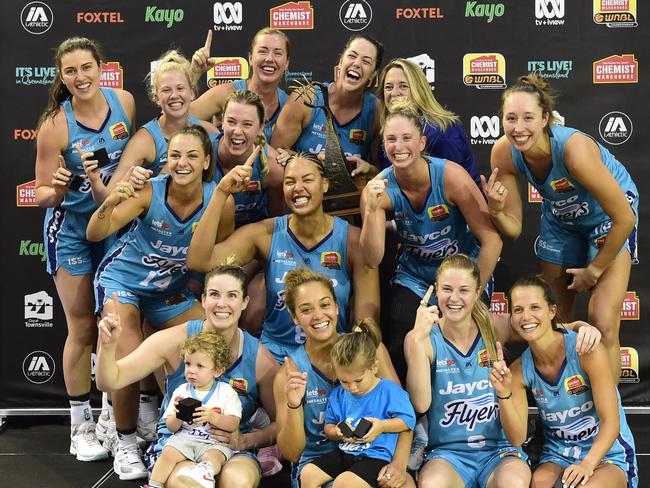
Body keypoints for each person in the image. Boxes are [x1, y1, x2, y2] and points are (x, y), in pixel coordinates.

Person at [87, 125, 233, 480]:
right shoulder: (148, 192)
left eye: (191, 156)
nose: (182, 163)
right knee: (126, 349)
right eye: (175, 155)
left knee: (214, 342)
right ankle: (124, 441)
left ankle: (200, 436)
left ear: (206, 162)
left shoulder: (220, 200)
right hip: (124, 281)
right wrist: (111, 199)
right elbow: (95, 232)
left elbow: (219, 255)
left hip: (170, 291)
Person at [485, 73, 638, 379]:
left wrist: (594, 270)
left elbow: (625, 218)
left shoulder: (573, 151)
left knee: (603, 321)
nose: (518, 128)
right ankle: (564, 406)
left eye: (528, 118)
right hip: (562, 219)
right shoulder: (503, 152)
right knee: (552, 323)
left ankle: (612, 415)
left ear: (545, 118)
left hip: (607, 217)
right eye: (510, 118)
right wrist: (496, 210)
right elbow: (513, 228)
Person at [34, 36, 135, 462]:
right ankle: (81, 425)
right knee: (82, 329)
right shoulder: (55, 125)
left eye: (87, 68)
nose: (80, 77)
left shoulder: (125, 103)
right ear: (62, 76)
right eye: (71, 71)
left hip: (114, 223)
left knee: (115, 325)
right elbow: (40, 193)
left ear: (101, 67)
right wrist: (55, 189)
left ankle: (113, 416)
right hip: (72, 228)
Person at [96, 261, 279, 488]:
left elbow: (282, 423)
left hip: (229, 449)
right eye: (214, 294)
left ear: (244, 302)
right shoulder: (174, 341)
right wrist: (108, 347)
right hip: (178, 446)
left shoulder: (260, 358)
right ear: (203, 300)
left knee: (237, 481)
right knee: (188, 483)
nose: (222, 303)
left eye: (232, 295)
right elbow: (108, 381)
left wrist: (248, 440)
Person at [187, 152, 379, 363]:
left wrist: (350, 366)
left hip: (332, 355)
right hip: (274, 357)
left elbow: (367, 319)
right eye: (290, 181)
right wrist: (221, 192)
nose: (298, 187)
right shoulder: (265, 234)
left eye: (307, 179)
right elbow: (199, 261)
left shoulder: (353, 241)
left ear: (325, 184)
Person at [360, 99, 502, 381]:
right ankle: (415, 415)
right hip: (415, 277)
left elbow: (492, 240)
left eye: (406, 138)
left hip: (462, 274)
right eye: (391, 139)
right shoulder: (378, 189)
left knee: (469, 334)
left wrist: (473, 291)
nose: (398, 147)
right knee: (403, 330)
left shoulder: (451, 176)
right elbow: (373, 257)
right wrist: (372, 209)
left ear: (422, 142)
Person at [489, 275, 638, 488]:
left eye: (535, 307)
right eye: (518, 310)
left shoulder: (586, 349)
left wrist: (587, 464)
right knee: (539, 483)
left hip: (607, 453)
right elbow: (517, 437)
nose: (526, 316)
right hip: (558, 454)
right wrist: (504, 393)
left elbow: (612, 423)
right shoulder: (518, 370)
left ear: (552, 311)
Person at [273, 266, 414, 488]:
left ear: (337, 307)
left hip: (374, 456)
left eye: (325, 304)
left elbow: (405, 419)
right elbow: (291, 453)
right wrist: (293, 404)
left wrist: (399, 464)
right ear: (294, 317)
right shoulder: (289, 372)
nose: (319, 315)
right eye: (306, 309)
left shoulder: (367, 349)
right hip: (321, 462)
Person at [404, 254, 531, 488]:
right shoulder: (420, 337)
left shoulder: (494, 326)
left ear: (477, 291)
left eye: (463, 290)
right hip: (448, 453)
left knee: (513, 483)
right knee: (432, 485)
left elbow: (542, 328)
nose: (454, 298)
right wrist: (418, 339)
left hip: (498, 450)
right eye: (446, 289)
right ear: (435, 291)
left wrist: (579, 328)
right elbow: (420, 403)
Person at [92, 50, 219, 203]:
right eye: (166, 90)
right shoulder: (144, 141)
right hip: (157, 223)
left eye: (180, 88)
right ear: (156, 98)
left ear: (192, 93)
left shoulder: (210, 132)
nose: (174, 95)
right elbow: (107, 199)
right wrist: (131, 185)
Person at [300, 324, 416, 488]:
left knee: (344, 483)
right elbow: (329, 427)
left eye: (358, 380)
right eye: (344, 381)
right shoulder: (338, 394)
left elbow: (408, 421)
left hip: (376, 457)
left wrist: (382, 426)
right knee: (308, 473)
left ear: (374, 367)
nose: (352, 387)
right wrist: (337, 432)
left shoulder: (390, 391)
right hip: (345, 451)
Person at [271, 34, 383, 176]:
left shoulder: (376, 110)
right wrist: (313, 163)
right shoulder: (306, 98)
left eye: (366, 61)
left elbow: (380, 171)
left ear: (373, 75)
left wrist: (368, 168)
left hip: (350, 195)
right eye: (352, 56)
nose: (356, 63)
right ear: (341, 61)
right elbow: (276, 151)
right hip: (305, 193)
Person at [148, 332, 241, 488]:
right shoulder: (181, 391)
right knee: (168, 451)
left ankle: (205, 473)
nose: (191, 370)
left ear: (217, 371)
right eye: (187, 364)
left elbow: (233, 424)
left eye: (200, 366)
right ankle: (154, 484)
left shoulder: (226, 392)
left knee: (213, 456)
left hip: (213, 442)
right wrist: (178, 414)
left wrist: (213, 417)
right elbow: (171, 427)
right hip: (185, 438)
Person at [377, 58, 480, 187]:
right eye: (388, 87)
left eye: (403, 86)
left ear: (418, 90)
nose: (394, 93)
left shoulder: (443, 131)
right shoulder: (388, 130)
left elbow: (457, 186)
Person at [191, 28, 290, 142]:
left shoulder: (290, 107)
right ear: (250, 58)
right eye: (263, 51)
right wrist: (193, 75)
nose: (269, 59)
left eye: (277, 53)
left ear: (287, 62)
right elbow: (175, 120)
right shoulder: (226, 93)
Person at [213, 89, 284, 226]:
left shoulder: (273, 168)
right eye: (231, 122)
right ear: (222, 121)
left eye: (247, 124)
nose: (238, 131)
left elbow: (275, 226)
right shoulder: (202, 154)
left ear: (260, 127)